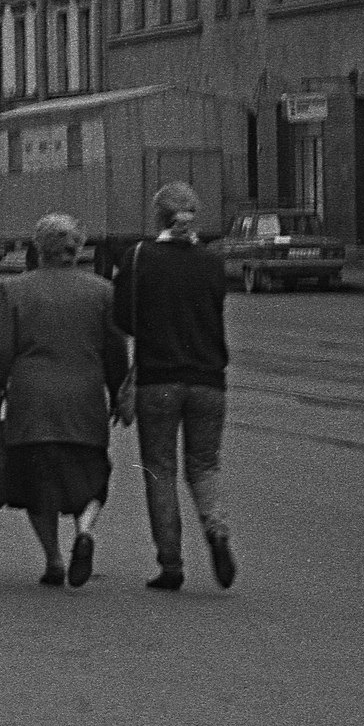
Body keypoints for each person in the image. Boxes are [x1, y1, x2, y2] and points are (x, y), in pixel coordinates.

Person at [0, 213, 131, 588]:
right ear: (77, 249)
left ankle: (53, 559)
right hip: (84, 401)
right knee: (93, 476)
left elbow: (0, 348)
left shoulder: (14, 290)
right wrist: (116, 394)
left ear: (37, 248)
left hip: (31, 403)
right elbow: (116, 352)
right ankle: (84, 531)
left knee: (37, 486)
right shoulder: (101, 292)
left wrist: (2, 382)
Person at [114, 181, 237, 591]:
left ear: (158, 217)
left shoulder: (139, 258)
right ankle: (216, 530)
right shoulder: (211, 262)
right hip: (209, 382)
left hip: (158, 380)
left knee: (160, 470)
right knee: (204, 466)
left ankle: (171, 565)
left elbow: (123, 321)